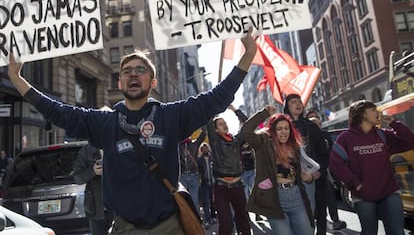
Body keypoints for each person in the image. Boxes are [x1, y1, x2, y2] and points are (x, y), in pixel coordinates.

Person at [7, 29, 257, 234]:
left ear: (153, 81)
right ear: (119, 83)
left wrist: (248, 56)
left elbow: (217, 98)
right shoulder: (104, 122)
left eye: (141, 70)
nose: (133, 75)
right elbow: (58, 112)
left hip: (169, 226)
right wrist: (18, 79)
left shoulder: (172, 115)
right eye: (127, 71)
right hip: (125, 228)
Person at [330, 100, 414, 235]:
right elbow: (336, 163)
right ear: (362, 114)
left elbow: (410, 141)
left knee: (397, 232)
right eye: (373, 110)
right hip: (363, 196)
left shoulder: (382, 135)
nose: (378, 112)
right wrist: (355, 184)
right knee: (369, 232)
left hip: (389, 192)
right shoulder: (346, 138)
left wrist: (394, 123)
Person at [240, 105, 314, 235]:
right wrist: (264, 113)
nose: (284, 132)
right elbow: (245, 131)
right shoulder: (263, 143)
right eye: (279, 129)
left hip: (297, 196)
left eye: (286, 128)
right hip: (274, 198)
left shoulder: (295, 146)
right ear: (272, 131)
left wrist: (308, 177)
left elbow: (303, 170)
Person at [283, 94, 329, 235]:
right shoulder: (283, 128)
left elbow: (323, 152)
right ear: (287, 106)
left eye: (299, 101)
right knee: (303, 217)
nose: (297, 104)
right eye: (293, 102)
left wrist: (318, 171)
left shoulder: (311, 127)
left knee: (321, 212)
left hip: (316, 176)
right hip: (294, 181)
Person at [206, 105, 252, 235]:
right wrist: (218, 101)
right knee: (225, 225)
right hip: (221, 188)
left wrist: (234, 110)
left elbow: (248, 125)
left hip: (238, 186)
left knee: (244, 222)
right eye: (220, 124)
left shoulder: (236, 141)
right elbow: (208, 119)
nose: (224, 125)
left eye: (225, 123)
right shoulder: (215, 141)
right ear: (215, 130)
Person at [306, 111, 347, 231]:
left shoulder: (325, 135)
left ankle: (335, 220)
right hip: (311, 172)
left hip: (325, 170)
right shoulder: (307, 137)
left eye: (319, 124)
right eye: (315, 125)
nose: (317, 127)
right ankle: (315, 219)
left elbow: (331, 150)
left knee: (330, 195)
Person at [73, 143, 114, 235]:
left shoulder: (118, 145)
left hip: (118, 206)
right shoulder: (87, 150)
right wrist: (93, 171)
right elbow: (77, 178)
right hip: (96, 207)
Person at [179, 127, 206, 211]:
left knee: (194, 200)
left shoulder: (194, 144)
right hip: (182, 175)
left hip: (193, 175)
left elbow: (203, 135)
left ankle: (197, 220)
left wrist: (203, 125)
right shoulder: (178, 146)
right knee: (182, 200)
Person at [197, 142, 215, 229]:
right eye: (203, 148)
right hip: (204, 182)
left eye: (206, 148)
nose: (205, 149)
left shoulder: (212, 158)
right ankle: (207, 220)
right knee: (206, 202)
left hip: (213, 182)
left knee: (213, 201)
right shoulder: (199, 160)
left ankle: (213, 216)